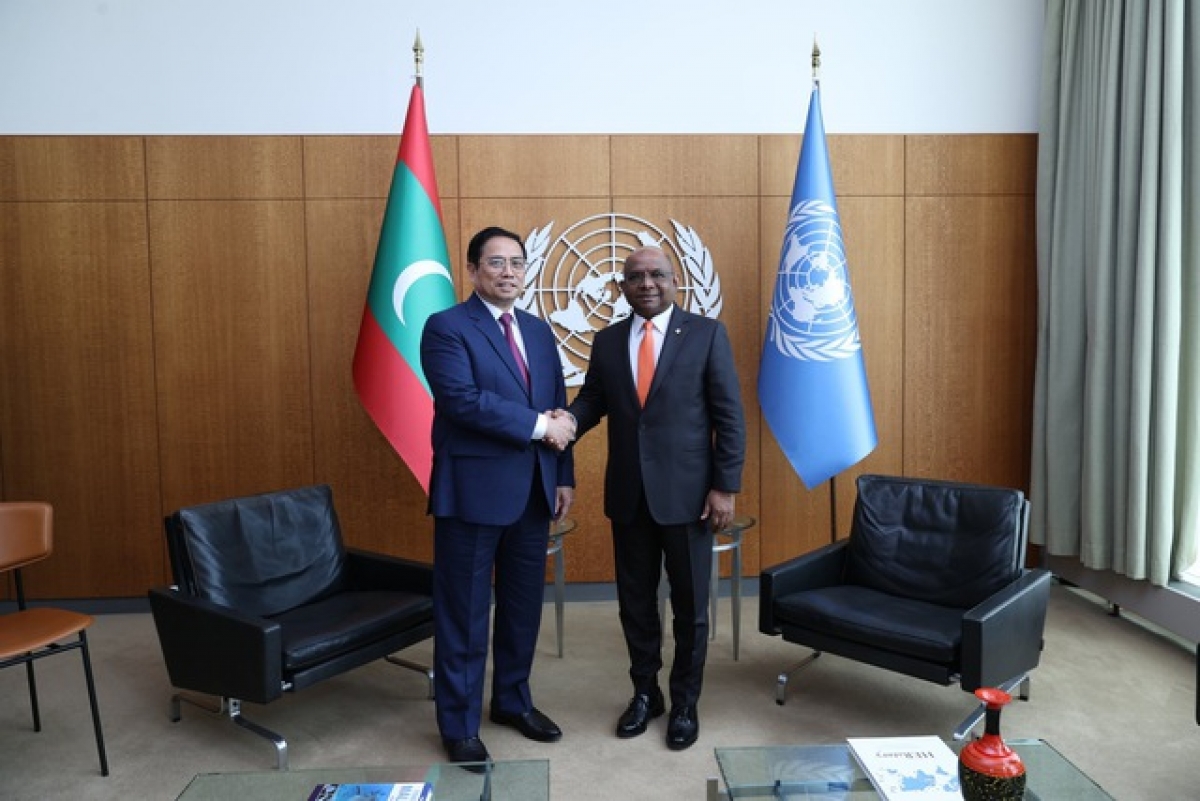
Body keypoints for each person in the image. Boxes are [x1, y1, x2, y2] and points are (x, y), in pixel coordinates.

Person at [566, 245, 746, 751]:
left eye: (656, 275)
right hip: (629, 495)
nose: (646, 283)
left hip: (690, 497)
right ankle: (646, 693)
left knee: (690, 607)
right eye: (635, 276)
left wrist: (725, 486)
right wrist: (566, 422)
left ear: (674, 281)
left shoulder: (707, 335)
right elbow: (594, 400)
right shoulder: (607, 340)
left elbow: (729, 417)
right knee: (636, 604)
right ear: (622, 286)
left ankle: (685, 701)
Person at [420, 226, 576, 766]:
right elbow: (462, 400)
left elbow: (558, 406)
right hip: (472, 493)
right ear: (472, 270)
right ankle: (459, 725)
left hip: (533, 490)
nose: (508, 272)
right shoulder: (446, 327)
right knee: (464, 613)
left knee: (521, 608)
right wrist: (542, 427)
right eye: (495, 262)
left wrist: (563, 475)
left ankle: (512, 701)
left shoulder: (538, 331)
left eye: (516, 262)